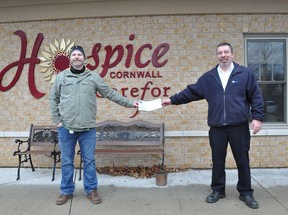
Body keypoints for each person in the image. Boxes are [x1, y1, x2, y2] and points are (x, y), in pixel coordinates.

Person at [161, 42, 264, 209]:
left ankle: (246, 192)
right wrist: (171, 100)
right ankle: (218, 190)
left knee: (242, 160)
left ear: (232, 54)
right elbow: (191, 92)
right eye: (220, 53)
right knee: (217, 160)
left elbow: (256, 97)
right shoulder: (209, 77)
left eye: (226, 52)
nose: (223, 55)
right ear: (217, 56)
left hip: (239, 126)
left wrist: (257, 118)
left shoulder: (245, 74)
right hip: (217, 127)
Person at [49, 45, 139, 205]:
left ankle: (91, 190)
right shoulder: (61, 77)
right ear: (70, 59)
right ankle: (66, 191)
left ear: (84, 58)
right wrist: (57, 120)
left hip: (87, 128)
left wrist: (130, 103)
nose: (77, 57)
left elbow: (110, 93)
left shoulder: (93, 77)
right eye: (74, 55)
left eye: (79, 55)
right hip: (66, 128)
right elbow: (53, 98)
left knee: (89, 160)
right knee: (67, 161)